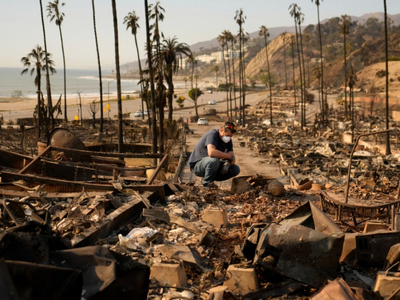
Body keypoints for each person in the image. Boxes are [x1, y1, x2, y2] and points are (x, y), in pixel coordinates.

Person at [188, 121, 240, 187]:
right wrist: (229, 156)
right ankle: (207, 184)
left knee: (235, 169)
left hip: (212, 165)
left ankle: (207, 179)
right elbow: (211, 152)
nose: (229, 138)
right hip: (198, 165)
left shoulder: (228, 141)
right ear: (221, 130)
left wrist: (228, 163)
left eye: (231, 136)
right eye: (227, 135)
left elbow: (232, 158)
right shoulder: (212, 135)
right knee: (214, 160)